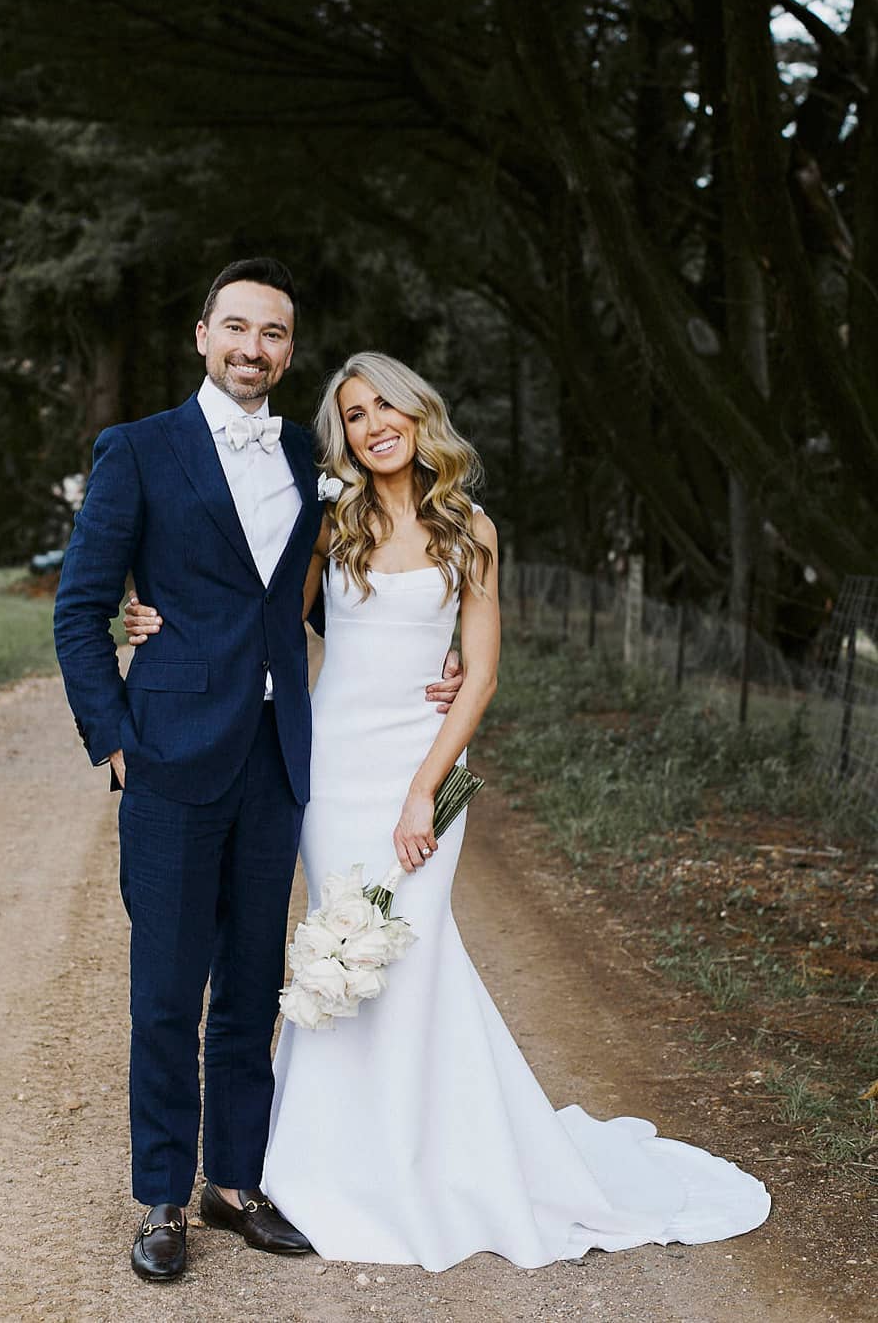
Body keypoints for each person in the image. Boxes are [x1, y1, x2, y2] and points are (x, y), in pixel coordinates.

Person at [126, 350, 771, 1272]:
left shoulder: (473, 529)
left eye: (386, 404)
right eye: (352, 414)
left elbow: (484, 675)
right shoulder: (330, 523)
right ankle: (315, 1167)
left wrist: (429, 787)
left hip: (435, 769)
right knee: (337, 952)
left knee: (416, 953)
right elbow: (255, 616)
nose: (373, 423)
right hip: (337, 769)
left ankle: (433, 1163)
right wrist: (146, 610)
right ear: (341, 434)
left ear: (421, 413)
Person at [53, 262, 462, 1283]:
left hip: (280, 763)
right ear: (202, 336)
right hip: (170, 760)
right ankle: (160, 1197)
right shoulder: (138, 451)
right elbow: (80, 609)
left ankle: (234, 1184)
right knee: (166, 990)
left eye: (272, 334)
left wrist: (432, 656)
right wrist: (114, 741)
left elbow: (321, 599)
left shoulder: (309, 458)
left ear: (289, 349)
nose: (253, 348)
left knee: (249, 987)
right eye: (235, 328)